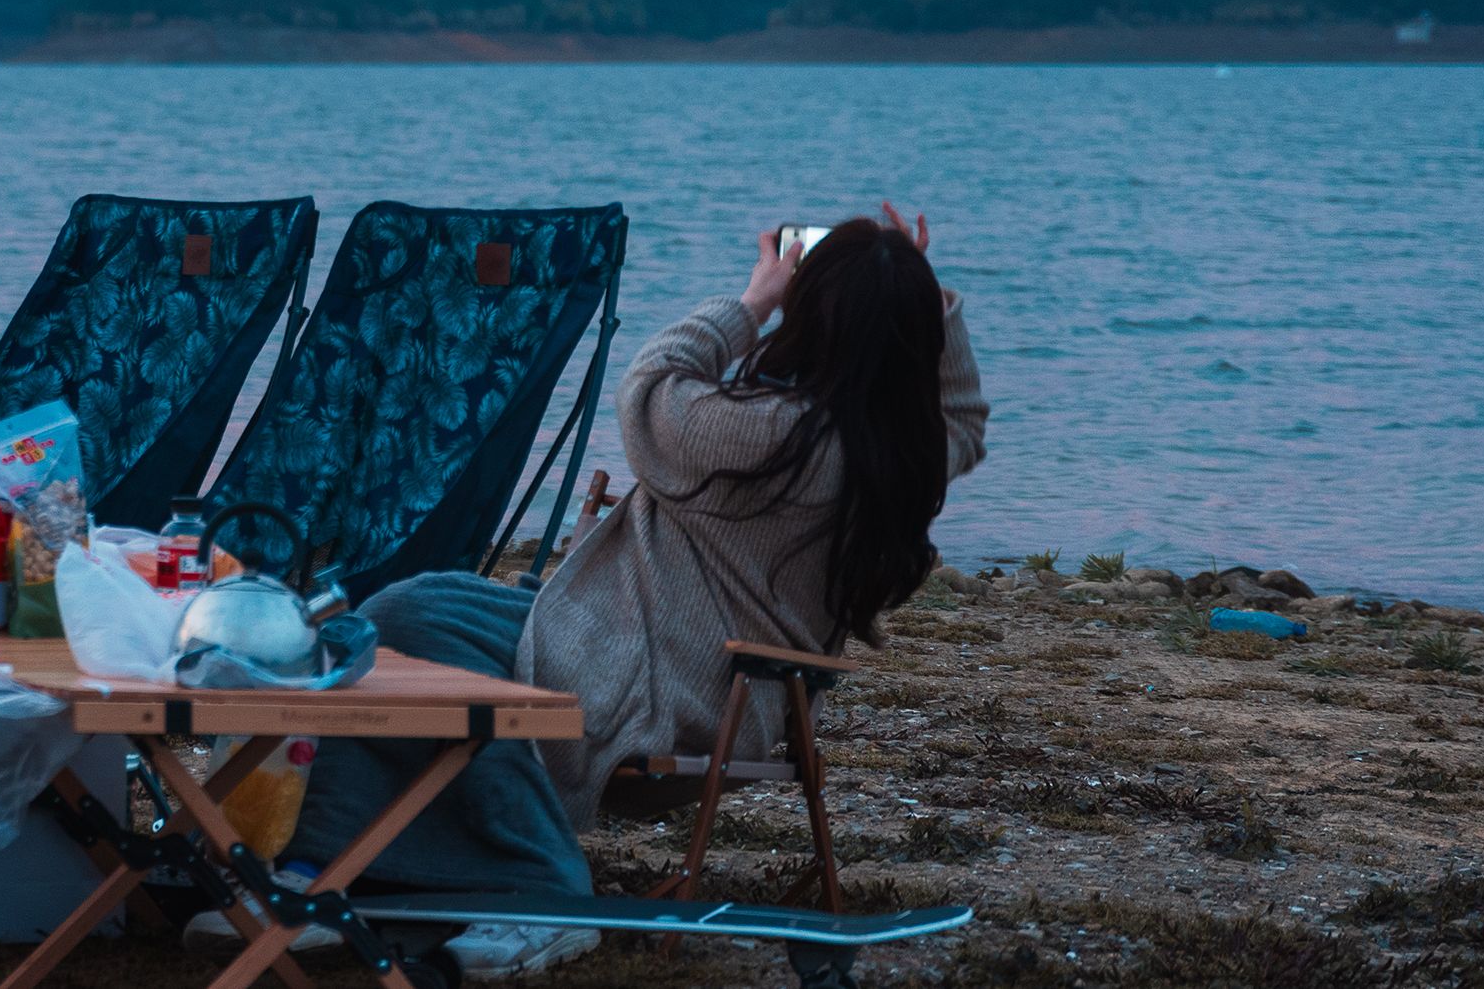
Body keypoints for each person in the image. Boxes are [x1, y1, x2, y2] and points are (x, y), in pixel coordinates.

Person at [194, 203, 989, 979]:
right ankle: (326, 861)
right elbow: (963, 416)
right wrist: (930, 297)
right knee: (405, 611)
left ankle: (540, 886)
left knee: (416, 642)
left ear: (814, 317)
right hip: (671, 652)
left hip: (661, 674)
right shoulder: (900, 453)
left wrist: (754, 299)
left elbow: (648, 387)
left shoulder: (768, 435)